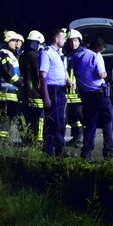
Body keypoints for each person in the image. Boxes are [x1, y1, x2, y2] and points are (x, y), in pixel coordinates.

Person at [71, 34, 113, 161]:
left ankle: (86, 153)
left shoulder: (76, 56)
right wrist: (106, 74)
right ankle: (108, 152)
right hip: (99, 94)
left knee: (90, 125)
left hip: (86, 95)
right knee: (108, 121)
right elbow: (101, 74)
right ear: (99, 48)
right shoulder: (96, 56)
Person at [0, 31, 25, 142]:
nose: (16, 43)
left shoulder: (7, 53)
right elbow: (8, 72)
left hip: (9, 90)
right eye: (13, 41)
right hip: (8, 91)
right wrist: (20, 83)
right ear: (7, 41)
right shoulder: (4, 53)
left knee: (9, 116)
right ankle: (24, 137)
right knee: (15, 115)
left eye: (17, 41)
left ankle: (3, 139)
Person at [39, 29, 70, 157]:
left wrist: (68, 81)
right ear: (57, 39)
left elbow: (63, 70)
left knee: (59, 122)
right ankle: (59, 150)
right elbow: (43, 75)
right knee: (55, 122)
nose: (65, 40)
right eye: (63, 38)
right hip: (53, 90)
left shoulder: (60, 54)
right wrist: (46, 96)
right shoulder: (47, 53)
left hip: (61, 90)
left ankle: (50, 151)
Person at [19, 30, 46, 145]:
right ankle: (39, 140)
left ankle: (27, 139)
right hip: (37, 92)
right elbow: (41, 75)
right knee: (40, 116)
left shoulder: (22, 56)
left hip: (25, 92)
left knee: (27, 116)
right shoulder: (38, 57)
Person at [64, 30, 84, 147]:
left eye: (75, 40)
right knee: (71, 116)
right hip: (68, 91)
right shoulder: (67, 54)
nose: (73, 43)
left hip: (79, 91)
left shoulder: (83, 54)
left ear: (80, 41)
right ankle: (76, 136)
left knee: (79, 115)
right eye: (71, 41)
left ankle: (82, 138)